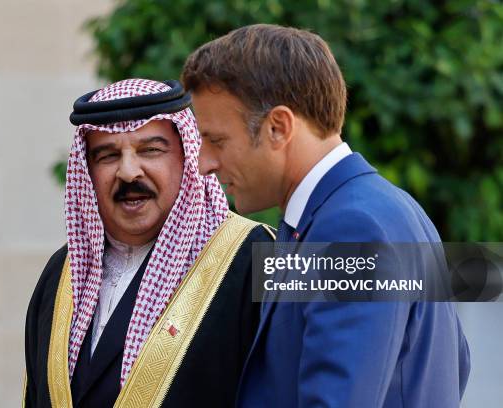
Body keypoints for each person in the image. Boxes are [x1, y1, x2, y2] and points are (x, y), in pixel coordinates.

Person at [182, 24, 470, 407]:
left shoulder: (352, 228)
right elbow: (455, 366)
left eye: (216, 140)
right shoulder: (384, 209)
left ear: (278, 127)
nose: (204, 164)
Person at [23, 79, 274, 408]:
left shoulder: (260, 255)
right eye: (107, 156)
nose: (128, 173)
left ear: (187, 158)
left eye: (150, 150)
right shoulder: (61, 273)